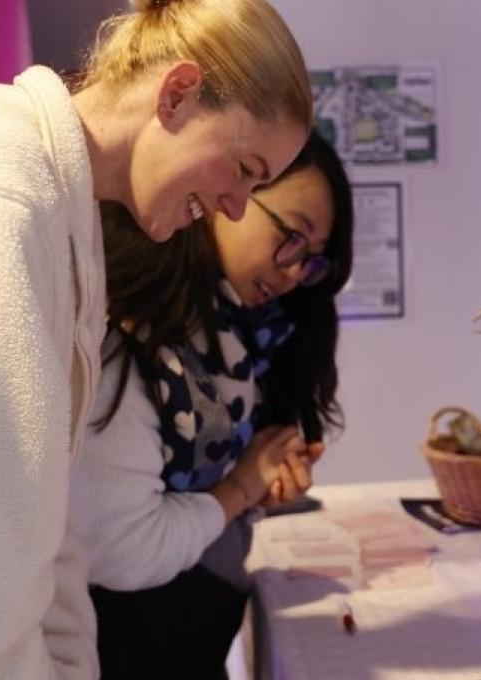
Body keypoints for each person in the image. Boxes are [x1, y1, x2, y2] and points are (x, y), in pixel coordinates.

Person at [0, 0, 311, 678]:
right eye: (244, 168)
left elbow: (37, 515)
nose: (235, 206)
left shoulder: (57, 202)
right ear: (177, 94)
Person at [70, 130, 353, 679]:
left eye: (313, 260)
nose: (296, 271)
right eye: (293, 235)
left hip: (192, 637)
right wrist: (241, 486)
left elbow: (201, 493)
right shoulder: (130, 332)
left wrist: (260, 484)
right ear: (230, 195)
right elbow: (122, 549)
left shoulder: (242, 336)